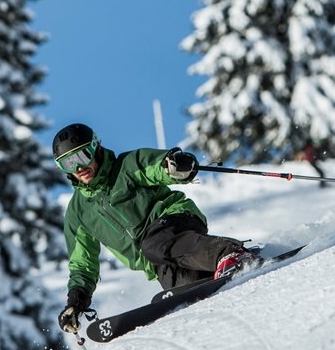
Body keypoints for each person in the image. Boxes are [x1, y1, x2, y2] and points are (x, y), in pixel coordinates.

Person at [52, 123, 258, 336]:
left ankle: (229, 253)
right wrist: (76, 301)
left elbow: (154, 166)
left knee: (155, 244)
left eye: (82, 156)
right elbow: (83, 265)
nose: (78, 168)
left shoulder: (125, 167)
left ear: (95, 148)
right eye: (68, 163)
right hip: (158, 260)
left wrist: (173, 166)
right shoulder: (77, 214)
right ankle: (220, 270)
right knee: (188, 288)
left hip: (173, 220)